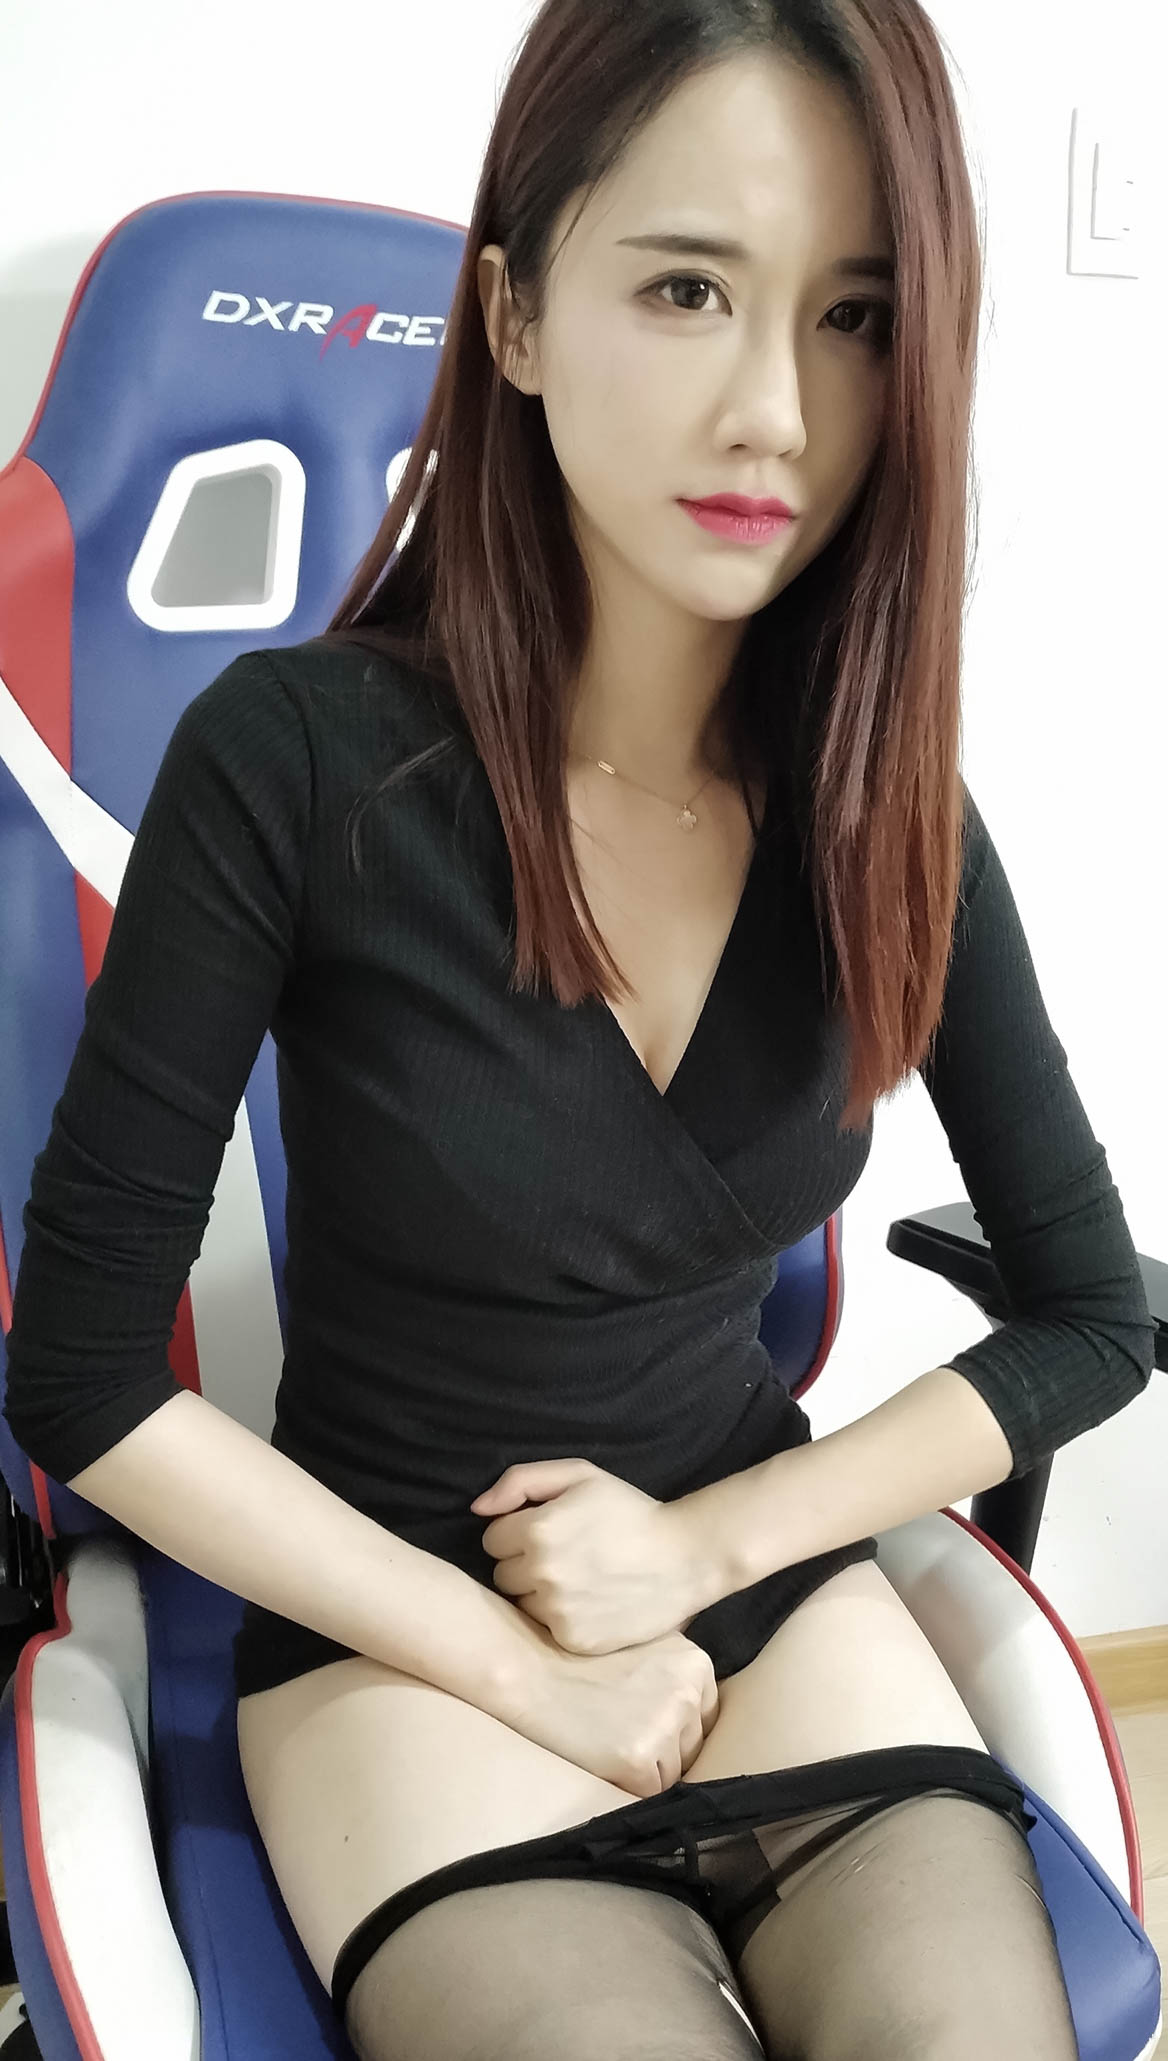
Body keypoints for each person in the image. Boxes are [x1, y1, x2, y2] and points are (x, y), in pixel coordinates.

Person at [4, 1, 1155, 2056]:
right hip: (405, 1620)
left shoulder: (879, 801)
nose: (774, 411)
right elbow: (81, 1376)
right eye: (687, 288)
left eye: (854, 317)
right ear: (515, 317)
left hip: (753, 1576)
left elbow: (1091, 1309)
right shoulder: (295, 759)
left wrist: (702, 1543)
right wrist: (529, 1666)